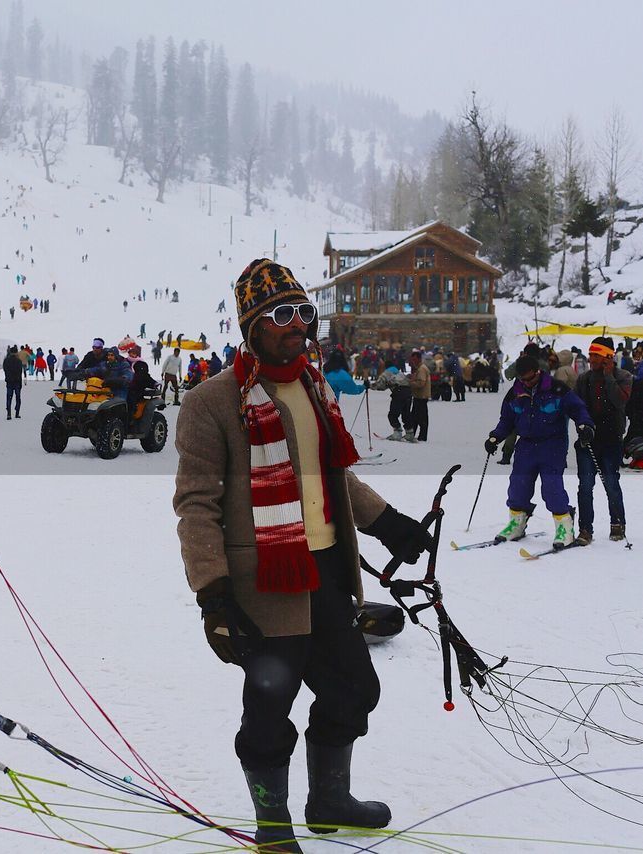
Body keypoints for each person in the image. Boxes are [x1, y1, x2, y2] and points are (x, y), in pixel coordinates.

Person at [174, 259, 430, 852]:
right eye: (280, 315)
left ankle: (328, 800)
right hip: (264, 584)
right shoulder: (213, 403)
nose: (297, 324)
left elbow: (331, 477)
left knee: (353, 692)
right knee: (268, 713)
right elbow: (195, 506)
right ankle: (272, 827)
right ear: (252, 327)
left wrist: (388, 524)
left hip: (324, 573)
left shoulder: (313, 386)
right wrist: (212, 596)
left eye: (302, 313)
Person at [484, 354, 594, 548]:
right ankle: (517, 523)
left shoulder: (557, 389)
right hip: (526, 444)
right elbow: (507, 420)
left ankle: (564, 526)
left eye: (529, 378)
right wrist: (495, 437)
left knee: (551, 487)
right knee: (518, 485)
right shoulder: (515, 393)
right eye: (522, 379)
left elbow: (578, 408)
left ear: (537, 372)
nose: (526, 383)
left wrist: (585, 425)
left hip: (552, 444)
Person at [574, 337, 631, 542]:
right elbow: (576, 406)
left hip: (611, 439)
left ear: (608, 356)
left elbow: (619, 401)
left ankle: (617, 523)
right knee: (585, 485)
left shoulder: (623, 376)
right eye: (590, 355)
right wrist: (582, 425)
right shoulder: (584, 379)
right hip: (588, 439)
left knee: (611, 483)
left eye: (596, 355)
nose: (591, 359)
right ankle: (585, 529)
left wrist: (608, 376)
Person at [371, 365, 412, 441]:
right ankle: (410, 433)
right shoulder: (400, 373)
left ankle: (397, 433)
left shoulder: (386, 373)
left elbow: (380, 384)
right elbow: (386, 386)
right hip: (408, 392)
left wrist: (370, 386)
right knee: (406, 413)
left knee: (393, 414)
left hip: (399, 392)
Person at [405, 350, 430, 442]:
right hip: (418, 396)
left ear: (419, 359)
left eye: (415, 359)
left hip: (421, 397)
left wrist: (410, 383)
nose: (413, 361)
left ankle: (422, 436)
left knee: (422, 418)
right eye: (412, 359)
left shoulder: (422, 369)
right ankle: (412, 434)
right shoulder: (419, 368)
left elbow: (421, 383)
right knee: (414, 417)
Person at [3, 345, 24, 419]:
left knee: (9, 397)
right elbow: (20, 372)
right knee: (18, 398)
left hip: (9, 381)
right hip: (17, 382)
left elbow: (5, 370)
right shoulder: (19, 361)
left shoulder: (6, 361)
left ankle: (9, 414)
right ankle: (17, 413)